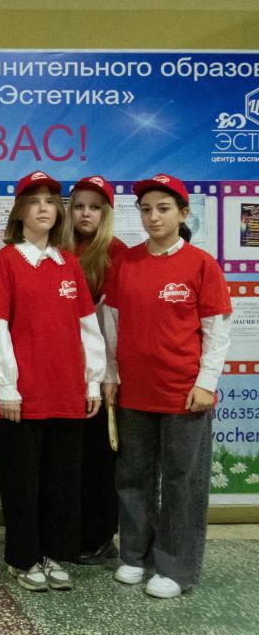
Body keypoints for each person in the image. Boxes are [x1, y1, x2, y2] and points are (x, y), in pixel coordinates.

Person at [102, 174, 232, 599]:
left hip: (184, 395)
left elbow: (217, 332)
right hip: (134, 393)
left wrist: (206, 383)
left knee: (181, 482)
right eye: (146, 209)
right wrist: (111, 376)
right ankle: (134, 556)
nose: (153, 217)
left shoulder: (201, 264)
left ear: (183, 213)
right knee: (133, 477)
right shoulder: (126, 263)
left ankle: (175, 567)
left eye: (163, 208)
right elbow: (111, 325)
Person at [0, 170, 105, 592]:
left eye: (51, 201)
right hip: (23, 395)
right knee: (23, 482)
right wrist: (7, 386)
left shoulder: (69, 264)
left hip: (68, 393)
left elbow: (88, 327)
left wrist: (93, 382)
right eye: (34, 201)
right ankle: (23, 557)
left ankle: (55, 553)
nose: (43, 208)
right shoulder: (4, 263)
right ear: (19, 212)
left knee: (62, 481)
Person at [60, 175, 128, 565]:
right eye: (79, 206)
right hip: (61, 372)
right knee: (68, 459)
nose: (85, 213)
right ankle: (67, 533)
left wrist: (108, 376)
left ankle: (100, 537)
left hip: (100, 375)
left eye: (95, 207)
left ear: (106, 213)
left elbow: (115, 324)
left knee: (99, 460)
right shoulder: (56, 250)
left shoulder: (118, 255)